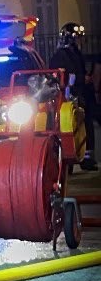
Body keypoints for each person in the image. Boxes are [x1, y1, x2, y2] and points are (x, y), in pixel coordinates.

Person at [49, 22, 97, 170]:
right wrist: (82, 79)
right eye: (77, 38)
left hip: (80, 94)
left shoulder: (74, 53)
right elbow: (62, 76)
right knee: (69, 128)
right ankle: (69, 161)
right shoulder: (61, 55)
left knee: (83, 126)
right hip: (69, 98)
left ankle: (85, 158)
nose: (80, 42)